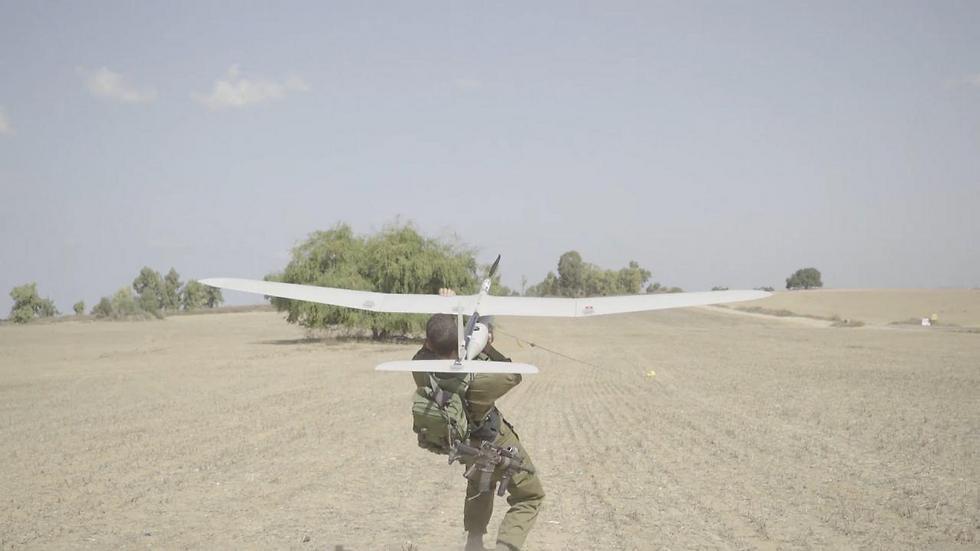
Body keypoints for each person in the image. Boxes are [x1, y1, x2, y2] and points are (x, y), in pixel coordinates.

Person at [412, 313, 545, 551]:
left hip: (463, 445)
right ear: (459, 344)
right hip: (495, 441)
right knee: (529, 496)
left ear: (429, 343)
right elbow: (512, 374)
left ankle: (474, 545)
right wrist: (487, 346)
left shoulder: (421, 372)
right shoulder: (478, 381)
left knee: (480, 488)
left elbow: (423, 353)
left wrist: (447, 321)